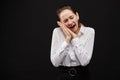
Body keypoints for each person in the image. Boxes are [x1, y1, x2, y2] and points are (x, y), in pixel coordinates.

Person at [50, 5, 95, 80]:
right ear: (60, 23)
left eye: (71, 17)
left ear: (77, 16)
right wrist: (68, 39)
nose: (70, 22)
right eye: (65, 21)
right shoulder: (57, 32)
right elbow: (55, 62)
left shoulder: (89, 32)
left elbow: (85, 62)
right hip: (63, 76)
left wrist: (74, 37)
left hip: (83, 76)